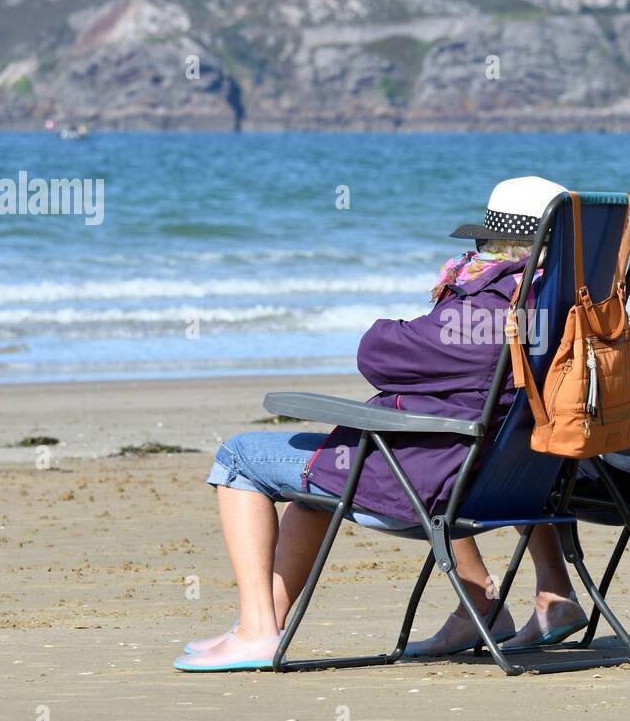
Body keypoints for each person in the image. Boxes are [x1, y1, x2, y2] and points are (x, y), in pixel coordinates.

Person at [173, 176, 567, 671]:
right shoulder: (568, 311)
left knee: (239, 456)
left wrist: (434, 310)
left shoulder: (485, 313)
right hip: (507, 480)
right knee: (312, 489)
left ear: (493, 244)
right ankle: (262, 624)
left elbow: (376, 355)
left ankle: (257, 632)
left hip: (431, 480)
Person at [405, 173, 630, 656]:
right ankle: (552, 595)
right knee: (526, 428)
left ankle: (480, 602)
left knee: (469, 442)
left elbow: (595, 375)